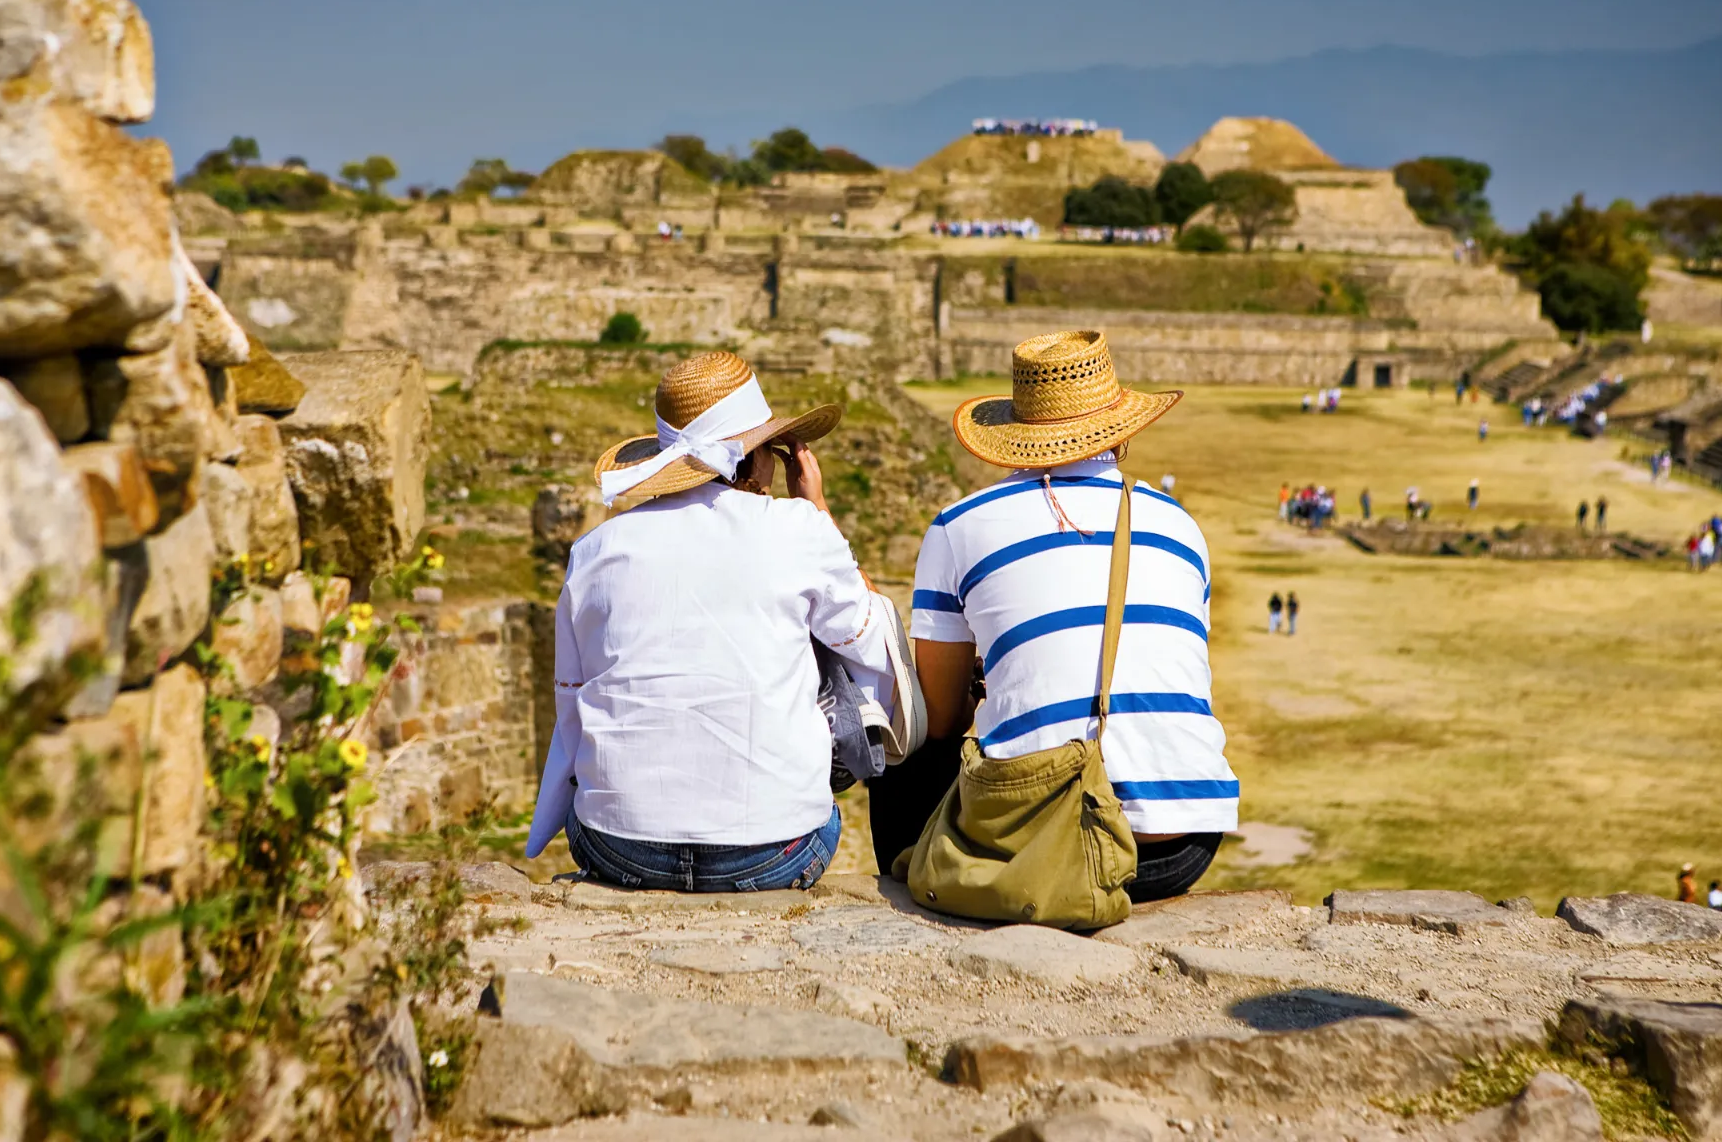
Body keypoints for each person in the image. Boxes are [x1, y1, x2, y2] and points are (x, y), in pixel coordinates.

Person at [879, 329, 1235, 901]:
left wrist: (981, 686)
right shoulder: (1179, 525)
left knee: (907, 729)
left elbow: (941, 720)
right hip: (1180, 845)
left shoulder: (960, 525)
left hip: (1051, 839)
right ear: (1119, 429)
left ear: (1017, 435)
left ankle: (919, 889)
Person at [523, 351, 899, 892]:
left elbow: (572, 705)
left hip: (619, 847)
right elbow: (875, 643)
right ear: (756, 457)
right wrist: (817, 509)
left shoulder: (595, 549)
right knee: (829, 635)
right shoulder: (798, 529)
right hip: (773, 850)